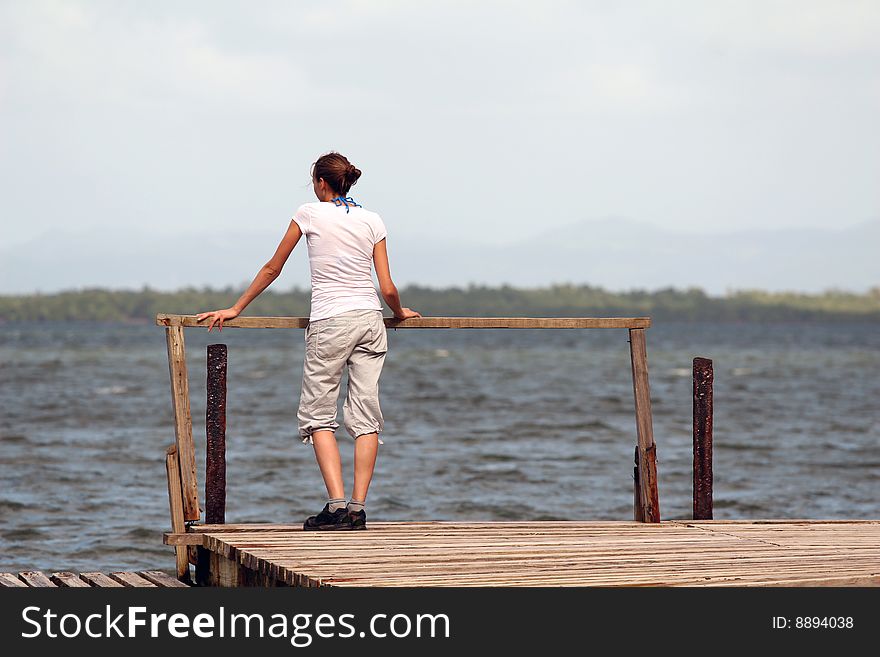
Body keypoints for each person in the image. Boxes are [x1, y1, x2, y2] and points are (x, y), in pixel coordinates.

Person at [196, 152, 421, 531]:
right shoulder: (372, 220)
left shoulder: (309, 213)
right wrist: (399, 313)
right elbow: (386, 287)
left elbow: (273, 267)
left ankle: (335, 507)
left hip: (331, 322)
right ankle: (357, 510)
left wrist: (236, 307)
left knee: (319, 414)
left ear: (320, 182)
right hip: (369, 321)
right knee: (366, 417)